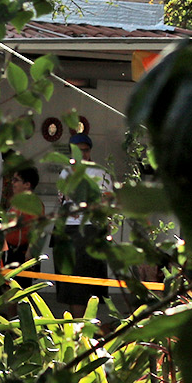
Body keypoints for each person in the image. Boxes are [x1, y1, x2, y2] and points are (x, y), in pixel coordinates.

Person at [56, 132, 115, 313]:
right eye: (79, 150)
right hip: (67, 230)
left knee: (82, 283)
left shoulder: (100, 172)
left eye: (86, 150)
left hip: (89, 229)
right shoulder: (65, 173)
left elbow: (107, 201)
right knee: (69, 282)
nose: (83, 154)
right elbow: (63, 200)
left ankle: (80, 323)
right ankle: (75, 322)